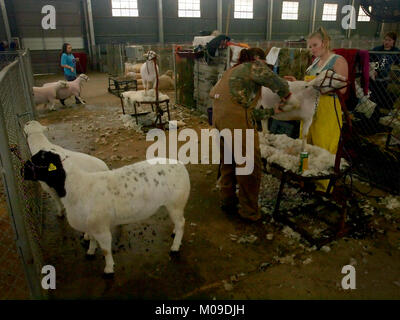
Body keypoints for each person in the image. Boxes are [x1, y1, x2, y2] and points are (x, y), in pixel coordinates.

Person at [210, 48, 291, 221]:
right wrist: (287, 92)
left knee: (228, 162)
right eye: (265, 64)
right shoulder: (253, 66)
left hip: (219, 119)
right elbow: (280, 85)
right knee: (250, 167)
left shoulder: (232, 71)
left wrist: (271, 111)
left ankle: (227, 201)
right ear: (257, 59)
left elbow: (247, 112)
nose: (265, 69)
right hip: (235, 123)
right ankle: (249, 212)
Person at [284, 27, 348, 192]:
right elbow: (309, 85)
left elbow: (343, 90)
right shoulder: (314, 63)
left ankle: (323, 187)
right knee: (306, 143)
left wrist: (324, 87)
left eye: (314, 45)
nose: (311, 49)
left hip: (327, 110)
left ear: (325, 43)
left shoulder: (338, 61)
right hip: (308, 108)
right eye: (310, 46)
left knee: (323, 146)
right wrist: (297, 82)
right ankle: (305, 178)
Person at [370, 32, 400, 113]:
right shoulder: (377, 49)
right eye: (385, 39)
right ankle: (372, 110)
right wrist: (374, 69)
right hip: (374, 77)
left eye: (389, 40)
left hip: (385, 78)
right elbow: (372, 60)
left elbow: (398, 63)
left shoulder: (396, 51)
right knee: (372, 95)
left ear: (393, 41)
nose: (386, 42)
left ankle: (379, 110)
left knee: (382, 94)